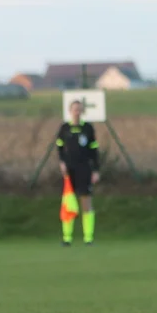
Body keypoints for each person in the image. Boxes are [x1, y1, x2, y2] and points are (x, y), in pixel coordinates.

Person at [55, 99, 100, 246]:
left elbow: (94, 150)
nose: (77, 112)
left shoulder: (88, 128)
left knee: (86, 201)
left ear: (82, 111)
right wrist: (62, 163)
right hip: (69, 170)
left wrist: (96, 170)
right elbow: (59, 148)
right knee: (68, 203)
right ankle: (67, 237)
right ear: (70, 111)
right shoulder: (64, 128)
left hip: (84, 169)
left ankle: (89, 238)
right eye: (75, 109)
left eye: (79, 109)